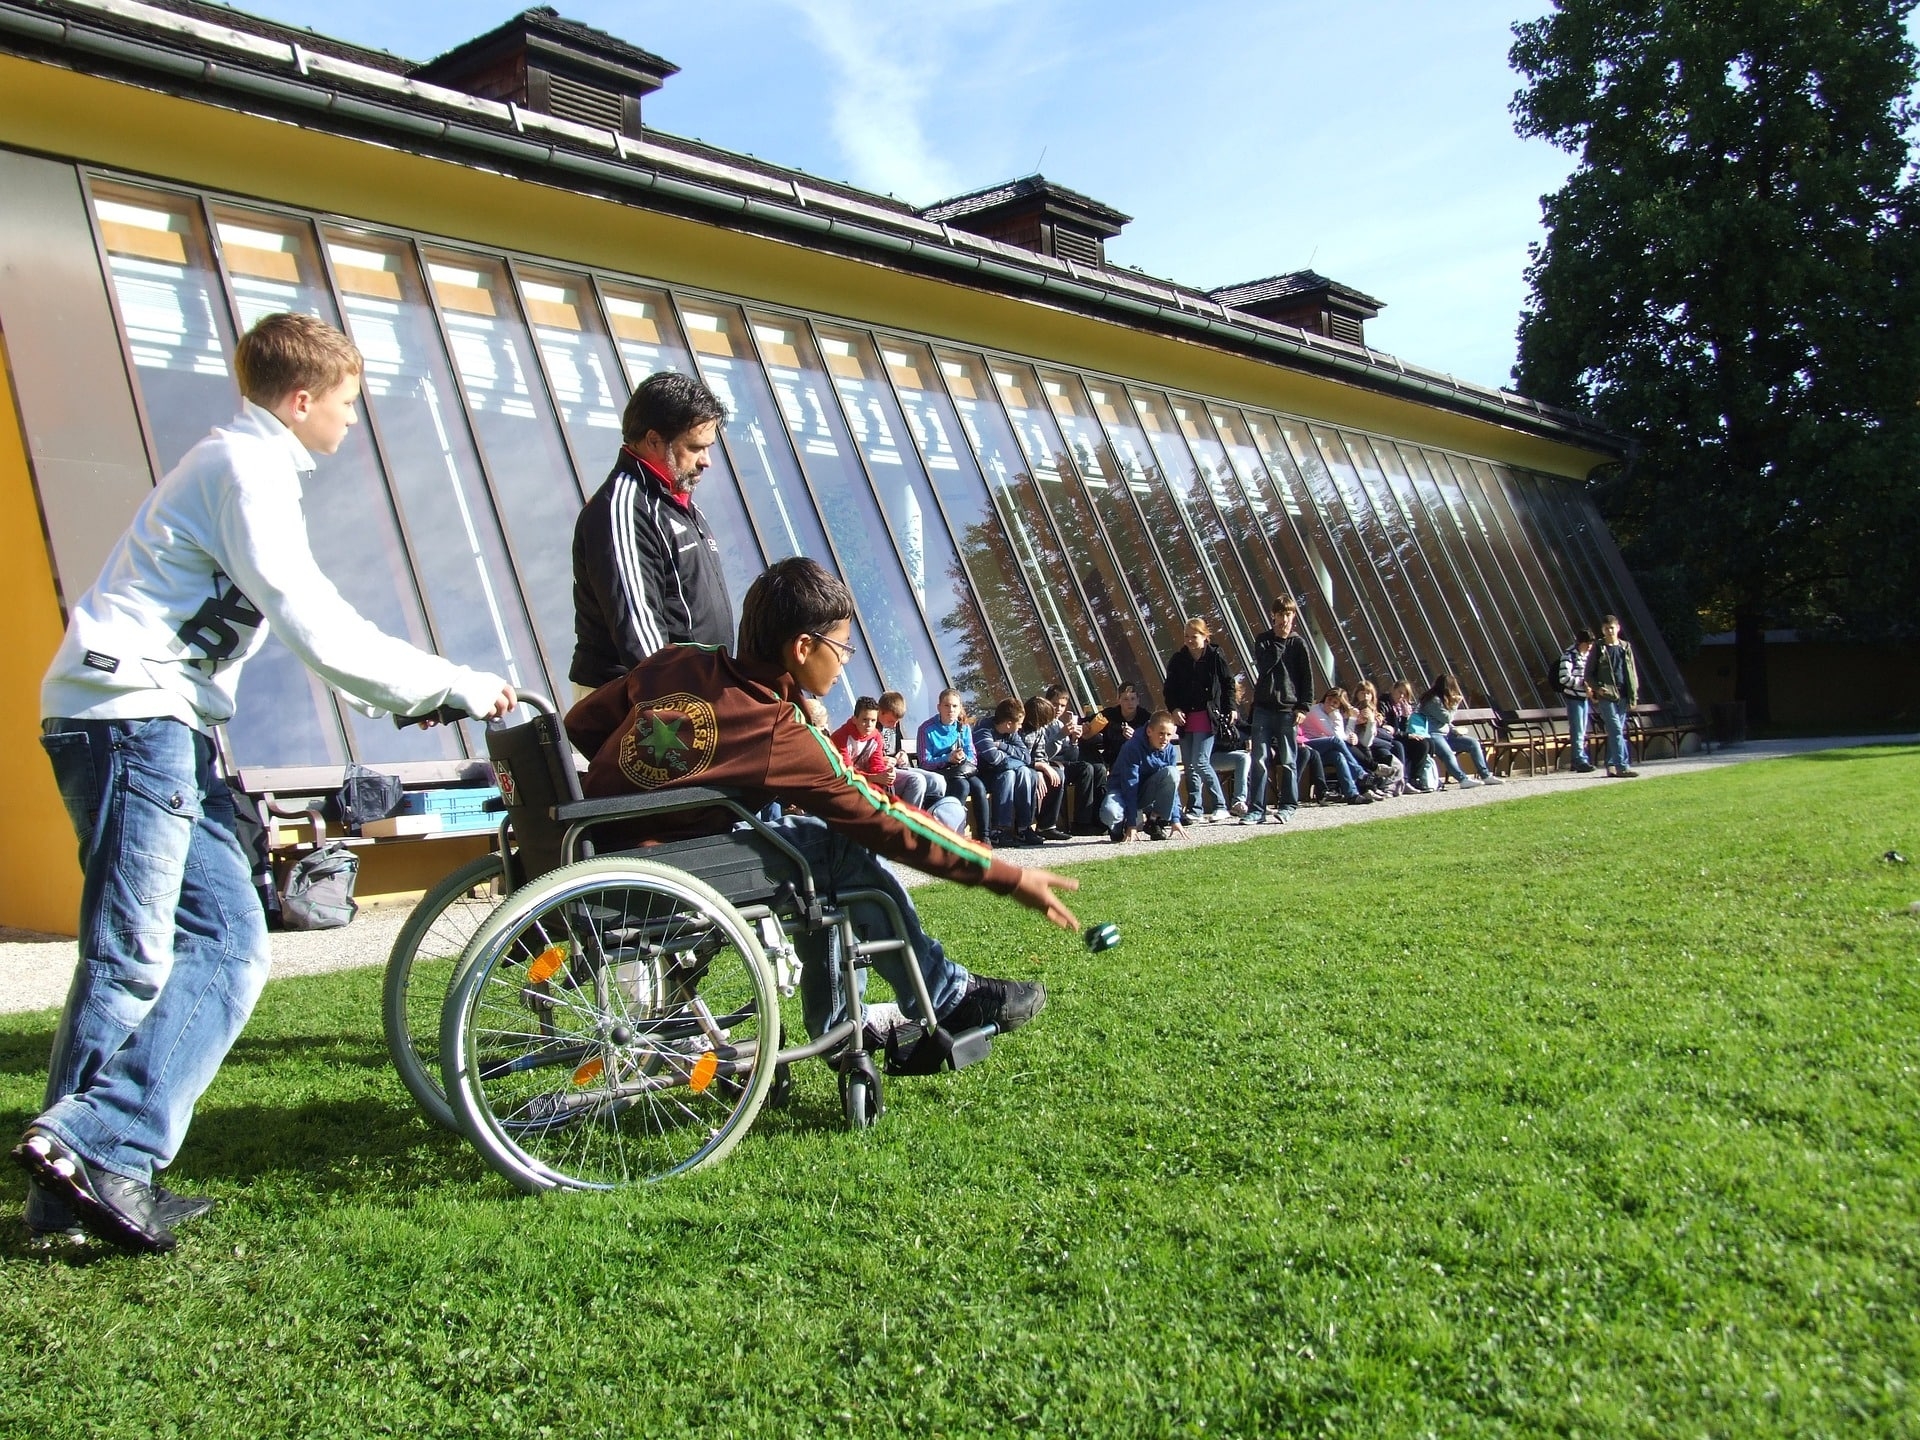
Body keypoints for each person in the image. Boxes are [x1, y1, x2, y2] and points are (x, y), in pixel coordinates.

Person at [17, 313, 517, 1254]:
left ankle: (85, 1173)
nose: (351, 422)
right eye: (346, 404)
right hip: (133, 719)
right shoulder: (246, 470)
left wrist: (412, 693)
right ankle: (93, 1154)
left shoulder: (245, 468)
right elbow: (314, 621)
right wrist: (455, 683)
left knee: (230, 944)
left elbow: (307, 619)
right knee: (136, 954)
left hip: (153, 723)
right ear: (300, 400)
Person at [565, 556, 1075, 1044]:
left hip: (592, 851)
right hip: (667, 871)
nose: (845, 662)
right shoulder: (776, 731)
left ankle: (842, 1021)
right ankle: (941, 997)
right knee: (837, 847)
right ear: (804, 647)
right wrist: (1006, 874)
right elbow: (881, 816)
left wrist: (662, 788)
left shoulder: (678, 661)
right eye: (843, 648)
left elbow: (581, 725)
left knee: (808, 842)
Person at [570, 371, 734, 691]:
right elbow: (641, 638)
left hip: (691, 696)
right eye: (696, 447)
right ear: (654, 440)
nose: (707, 461)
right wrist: (688, 706)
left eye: (709, 447)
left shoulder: (678, 504)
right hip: (637, 708)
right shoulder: (622, 511)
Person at [1244, 596, 1312, 824]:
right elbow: (1264, 667)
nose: (1284, 619)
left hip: (1287, 710)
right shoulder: (1263, 640)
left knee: (1288, 760)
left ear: (1294, 616)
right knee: (1259, 759)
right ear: (1273, 615)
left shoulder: (1299, 644)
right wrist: (1278, 641)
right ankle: (1256, 809)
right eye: (1280, 614)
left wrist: (1303, 706)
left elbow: (1306, 679)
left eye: (1288, 614)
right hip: (1263, 708)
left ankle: (1288, 805)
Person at [1162, 618, 1236, 822]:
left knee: (1200, 761)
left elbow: (1228, 683)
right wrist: (1174, 709)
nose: (1189, 641)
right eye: (1186, 636)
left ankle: (1220, 804)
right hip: (1186, 717)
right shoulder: (1178, 659)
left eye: (1193, 637)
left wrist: (1231, 707)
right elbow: (1169, 690)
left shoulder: (1215, 656)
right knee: (1189, 764)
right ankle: (1195, 807)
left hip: (1207, 715)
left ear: (1205, 636)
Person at [1100, 710, 1188, 842]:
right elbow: (1130, 785)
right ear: (1149, 732)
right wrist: (1132, 824)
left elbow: (1172, 786)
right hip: (1123, 791)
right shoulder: (1133, 747)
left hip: (1147, 792)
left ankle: (1154, 821)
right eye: (1161, 734)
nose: (1165, 739)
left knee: (1172, 772)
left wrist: (1175, 819)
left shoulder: (1169, 750)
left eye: (1168, 735)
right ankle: (1118, 829)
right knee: (1110, 813)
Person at [916, 689, 990, 838]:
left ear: (960, 707)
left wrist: (962, 758)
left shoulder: (963, 728)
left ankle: (984, 836)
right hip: (939, 773)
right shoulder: (926, 729)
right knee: (962, 786)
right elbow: (924, 762)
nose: (951, 710)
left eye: (955, 706)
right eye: (947, 705)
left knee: (979, 786)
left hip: (961, 770)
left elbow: (972, 756)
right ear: (939, 707)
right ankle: (953, 834)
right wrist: (947, 758)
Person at [974, 698, 1043, 846]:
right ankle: (999, 830)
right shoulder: (983, 729)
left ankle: (1024, 828)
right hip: (984, 774)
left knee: (1025, 771)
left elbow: (1026, 756)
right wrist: (1013, 757)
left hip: (1001, 771)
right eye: (1018, 724)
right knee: (1009, 774)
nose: (1020, 728)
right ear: (1009, 723)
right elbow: (996, 760)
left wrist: (1002, 746)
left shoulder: (1010, 733)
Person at [1417, 674, 1503, 788]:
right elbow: (1446, 718)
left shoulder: (1442, 699)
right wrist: (1455, 705)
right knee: (1447, 753)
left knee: (1473, 743)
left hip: (1446, 734)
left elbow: (1445, 722)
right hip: (1433, 734)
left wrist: (1453, 729)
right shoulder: (1433, 700)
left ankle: (1486, 775)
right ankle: (1462, 779)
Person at [1587, 615, 1639, 778]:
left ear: (1618, 628)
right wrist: (1598, 688)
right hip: (1607, 695)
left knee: (1616, 731)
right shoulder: (1599, 647)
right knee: (1616, 730)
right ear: (1603, 630)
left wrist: (1633, 696)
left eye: (1612, 627)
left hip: (1623, 694)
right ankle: (1622, 767)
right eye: (1606, 628)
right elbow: (1588, 673)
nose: (1610, 631)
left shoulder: (1625, 647)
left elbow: (1632, 672)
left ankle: (1611, 764)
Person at [876, 690, 943, 810]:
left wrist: (902, 754)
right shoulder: (871, 725)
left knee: (938, 781)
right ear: (880, 712)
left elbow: (899, 747)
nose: (894, 725)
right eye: (891, 721)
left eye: (897, 722)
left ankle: (931, 817)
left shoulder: (893, 725)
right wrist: (882, 760)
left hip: (898, 767)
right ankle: (907, 823)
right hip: (883, 772)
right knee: (917, 781)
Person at [1557, 628, 1597, 773]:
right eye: (1588, 644)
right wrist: (1582, 683)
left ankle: (1578, 758)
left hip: (1584, 697)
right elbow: (1564, 678)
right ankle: (1579, 759)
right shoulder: (1568, 656)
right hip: (1574, 697)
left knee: (1582, 729)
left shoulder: (1587, 656)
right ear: (1581, 643)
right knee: (1578, 729)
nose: (1590, 647)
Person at [1089, 680, 1151, 770]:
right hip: (1113, 760)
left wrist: (1135, 737)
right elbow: (1088, 722)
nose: (1130, 703)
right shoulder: (1109, 715)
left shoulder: (1146, 718)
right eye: (1125, 699)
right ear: (1119, 700)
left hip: (1139, 759)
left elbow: (1153, 743)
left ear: (1138, 700)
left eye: (1133, 699)